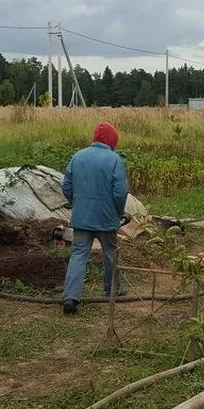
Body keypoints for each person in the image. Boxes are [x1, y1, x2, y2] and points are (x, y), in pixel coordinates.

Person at [60, 122, 129, 314]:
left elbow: (66, 187)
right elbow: (120, 192)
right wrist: (119, 212)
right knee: (110, 253)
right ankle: (112, 290)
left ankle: (70, 297)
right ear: (112, 140)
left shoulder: (77, 156)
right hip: (106, 219)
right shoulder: (114, 160)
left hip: (81, 217)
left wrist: (77, 202)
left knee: (78, 254)